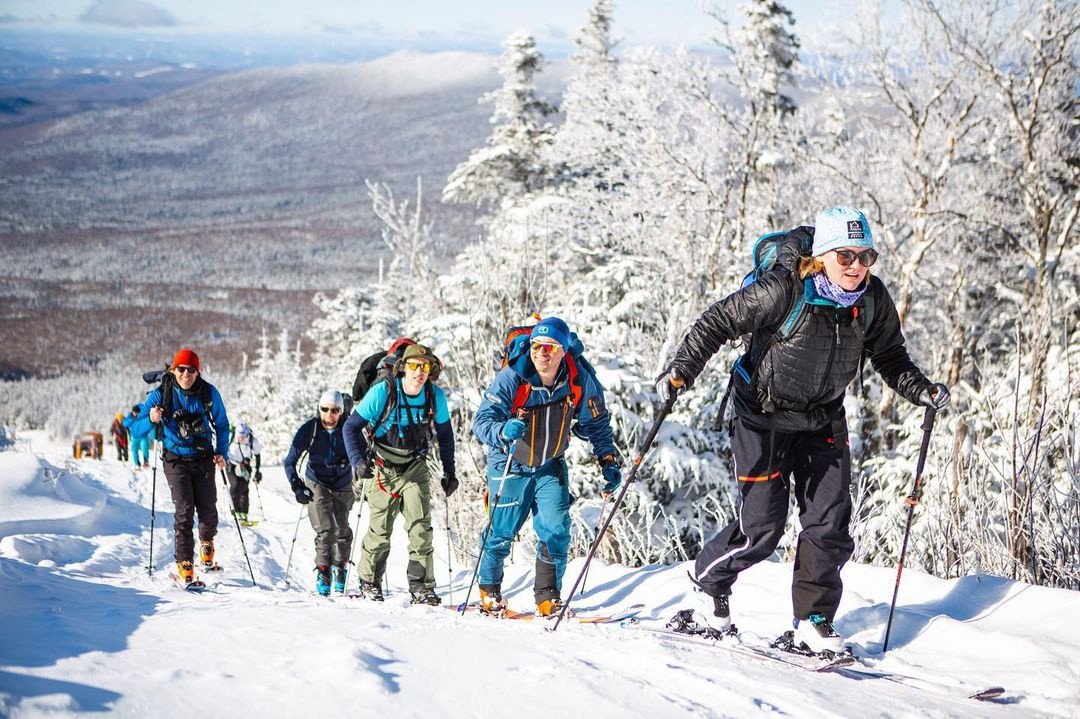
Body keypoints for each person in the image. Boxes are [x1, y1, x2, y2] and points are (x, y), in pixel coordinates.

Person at [656, 207, 951, 653]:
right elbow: (718, 321)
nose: (856, 266)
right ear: (822, 256)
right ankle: (708, 584)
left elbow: (890, 355)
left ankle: (813, 620)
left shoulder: (871, 300)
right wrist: (681, 370)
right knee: (762, 529)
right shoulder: (784, 289)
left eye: (865, 256)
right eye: (845, 256)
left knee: (829, 523)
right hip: (763, 416)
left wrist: (921, 390)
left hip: (823, 419)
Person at [472, 317, 620, 617]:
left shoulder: (577, 378)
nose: (542, 353)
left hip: (550, 465)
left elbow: (596, 421)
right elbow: (482, 421)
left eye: (550, 347)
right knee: (501, 532)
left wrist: (607, 459)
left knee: (556, 530)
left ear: (563, 350)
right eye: (537, 346)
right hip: (510, 464)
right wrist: (502, 431)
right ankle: (489, 590)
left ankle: (548, 597)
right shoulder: (513, 376)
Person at [343, 343, 457, 606]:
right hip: (382, 467)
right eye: (414, 365)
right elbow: (350, 427)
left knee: (421, 528)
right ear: (403, 367)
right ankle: (369, 582)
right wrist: (358, 462)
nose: (419, 372)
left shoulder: (434, 396)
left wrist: (450, 471)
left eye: (425, 367)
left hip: (415, 466)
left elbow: (446, 435)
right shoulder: (383, 391)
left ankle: (422, 588)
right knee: (380, 530)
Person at [130, 348, 230, 585]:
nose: (186, 374)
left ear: (198, 371)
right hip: (175, 458)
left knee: (208, 510)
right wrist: (151, 418)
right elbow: (136, 430)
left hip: (203, 456)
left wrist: (222, 453)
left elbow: (222, 425)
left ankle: (207, 543)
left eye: (191, 370)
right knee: (184, 510)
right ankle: (185, 563)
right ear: (174, 370)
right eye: (181, 369)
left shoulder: (208, 393)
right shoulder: (160, 395)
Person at [283, 391, 354, 596]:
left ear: (341, 411)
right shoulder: (310, 429)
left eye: (335, 410)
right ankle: (324, 572)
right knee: (326, 530)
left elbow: (362, 453)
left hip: (342, 483)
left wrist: (362, 465)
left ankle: (340, 568)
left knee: (342, 530)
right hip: (317, 482)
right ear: (319, 409)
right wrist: (297, 486)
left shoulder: (349, 429)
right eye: (325, 409)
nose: (329, 414)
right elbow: (290, 462)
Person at [226, 423, 262, 525]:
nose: (241, 438)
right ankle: (235, 511)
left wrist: (257, 471)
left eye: (243, 436)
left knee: (244, 488)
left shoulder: (252, 440)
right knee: (235, 485)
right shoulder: (231, 436)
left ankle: (243, 513)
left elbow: (257, 456)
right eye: (239, 436)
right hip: (231, 464)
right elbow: (222, 446)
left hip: (244, 465)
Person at [124, 405, 152, 469]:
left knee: (145, 449)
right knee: (134, 450)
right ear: (132, 412)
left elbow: (149, 422)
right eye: (134, 412)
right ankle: (137, 463)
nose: (136, 414)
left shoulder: (143, 416)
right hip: (134, 437)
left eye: (137, 413)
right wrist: (132, 419)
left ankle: (146, 461)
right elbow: (125, 424)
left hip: (143, 436)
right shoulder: (130, 416)